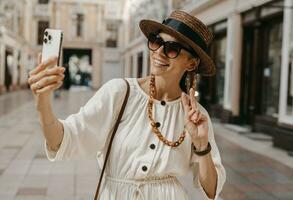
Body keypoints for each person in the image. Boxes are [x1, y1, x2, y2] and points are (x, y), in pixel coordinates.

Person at [27, 10, 226, 200]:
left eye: (172, 48)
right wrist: (42, 102)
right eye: (156, 41)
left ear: (191, 64)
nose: (159, 52)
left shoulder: (196, 116)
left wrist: (202, 145)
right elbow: (61, 141)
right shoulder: (119, 92)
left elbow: (211, 190)